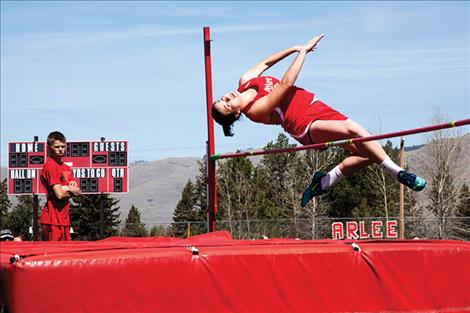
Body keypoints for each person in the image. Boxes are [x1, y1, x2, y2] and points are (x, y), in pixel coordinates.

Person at [212, 34, 426, 207]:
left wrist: (294, 48)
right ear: (236, 114)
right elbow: (285, 84)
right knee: (354, 130)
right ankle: (398, 173)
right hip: (304, 125)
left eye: (223, 99)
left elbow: (267, 62)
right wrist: (303, 53)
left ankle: (324, 182)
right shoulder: (255, 110)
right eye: (227, 105)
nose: (228, 98)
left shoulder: (245, 80)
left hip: (315, 106)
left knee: (368, 151)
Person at [40, 131, 81, 241]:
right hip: (51, 219)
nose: (60, 149)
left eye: (63, 146)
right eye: (57, 147)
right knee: (52, 255)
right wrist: (68, 188)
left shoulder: (67, 168)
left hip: (64, 219)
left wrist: (66, 189)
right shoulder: (50, 166)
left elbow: (78, 191)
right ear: (49, 148)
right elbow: (59, 194)